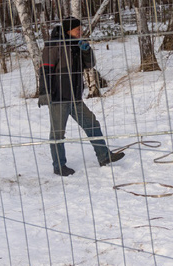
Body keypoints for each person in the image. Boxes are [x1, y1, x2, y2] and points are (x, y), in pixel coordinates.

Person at [38, 16, 124, 176]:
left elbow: (90, 65)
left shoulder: (76, 45)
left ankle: (104, 157)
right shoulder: (54, 46)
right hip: (59, 98)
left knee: (92, 123)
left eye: (80, 29)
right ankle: (59, 166)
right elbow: (45, 70)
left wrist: (86, 51)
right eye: (77, 29)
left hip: (75, 97)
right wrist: (44, 92)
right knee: (57, 134)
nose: (80, 32)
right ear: (68, 30)